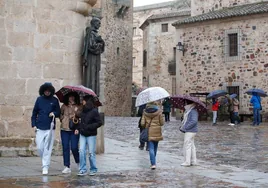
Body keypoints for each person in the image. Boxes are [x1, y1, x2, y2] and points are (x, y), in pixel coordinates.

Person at [31, 82, 60, 175]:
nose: (47, 92)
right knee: (40, 147)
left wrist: (54, 114)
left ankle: (45, 166)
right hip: (40, 127)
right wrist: (34, 125)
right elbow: (34, 113)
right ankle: (45, 161)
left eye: (49, 90)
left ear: (51, 91)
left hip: (50, 128)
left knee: (48, 148)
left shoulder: (55, 100)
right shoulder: (39, 100)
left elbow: (59, 112)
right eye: (46, 90)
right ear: (43, 90)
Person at [76, 95, 102, 176]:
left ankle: (93, 169)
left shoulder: (94, 111)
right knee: (81, 151)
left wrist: (90, 127)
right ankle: (82, 169)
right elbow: (80, 120)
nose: (82, 102)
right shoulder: (82, 110)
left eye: (83, 100)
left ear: (87, 101)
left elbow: (99, 122)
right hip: (83, 133)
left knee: (91, 152)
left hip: (91, 134)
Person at [60, 92, 82, 174]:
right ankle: (67, 166)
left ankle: (78, 162)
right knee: (65, 147)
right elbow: (60, 114)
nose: (71, 98)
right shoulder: (64, 106)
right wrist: (62, 118)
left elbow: (81, 117)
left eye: (73, 96)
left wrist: (76, 113)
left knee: (74, 147)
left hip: (74, 129)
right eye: (70, 96)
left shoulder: (79, 106)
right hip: (64, 129)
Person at [141, 102, 164, 170]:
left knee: (151, 148)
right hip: (157, 131)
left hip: (149, 132)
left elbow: (142, 124)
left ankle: (153, 163)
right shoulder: (159, 112)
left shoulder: (145, 113)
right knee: (155, 147)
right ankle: (153, 161)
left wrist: (146, 124)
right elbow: (162, 123)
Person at [180, 99, 198, 167]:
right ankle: (193, 161)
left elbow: (193, 121)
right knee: (192, 146)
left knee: (187, 145)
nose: (185, 105)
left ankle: (187, 161)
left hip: (190, 131)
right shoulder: (190, 111)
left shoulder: (192, 111)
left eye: (185, 103)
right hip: (191, 130)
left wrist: (185, 127)